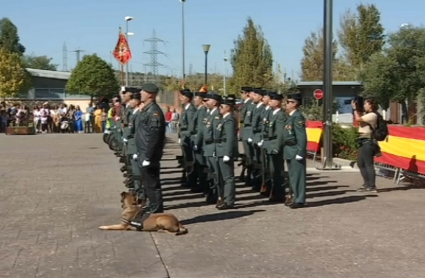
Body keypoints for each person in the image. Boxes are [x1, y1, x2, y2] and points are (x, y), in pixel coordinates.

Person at [134, 84, 166, 214]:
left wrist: (148, 157)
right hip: (143, 152)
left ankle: (156, 211)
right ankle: (152, 208)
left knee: (152, 185)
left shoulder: (154, 112)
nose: (141, 93)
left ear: (150, 95)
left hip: (149, 154)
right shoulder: (146, 109)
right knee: (147, 184)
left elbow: (154, 137)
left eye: (144, 91)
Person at [283, 93, 307, 209]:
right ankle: (294, 196)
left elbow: (301, 136)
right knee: (292, 176)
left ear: (295, 103)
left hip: (295, 149)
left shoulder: (297, 117)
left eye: (288, 102)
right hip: (289, 149)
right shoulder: (290, 117)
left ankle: (299, 199)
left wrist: (300, 152)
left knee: (298, 176)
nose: (286, 104)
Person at [352, 97, 379, 193]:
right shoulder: (367, 114)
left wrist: (355, 109)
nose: (364, 105)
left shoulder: (372, 115)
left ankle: (372, 186)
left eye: (365, 104)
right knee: (361, 163)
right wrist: (356, 108)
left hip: (368, 141)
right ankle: (367, 184)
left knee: (368, 164)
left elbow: (358, 119)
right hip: (362, 141)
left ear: (371, 105)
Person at [263, 93, 287, 202]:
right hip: (270, 145)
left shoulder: (280, 115)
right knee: (272, 171)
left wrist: (277, 147)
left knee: (278, 171)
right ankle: (275, 192)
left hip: (275, 147)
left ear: (278, 102)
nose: (270, 102)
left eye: (272, 100)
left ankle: (279, 194)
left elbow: (280, 134)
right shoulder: (273, 114)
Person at [215, 95, 237, 209]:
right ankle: (223, 198)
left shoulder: (230, 120)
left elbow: (230, 138)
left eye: (222, 106)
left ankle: (229, 200)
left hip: (224, 151)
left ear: (228, 107)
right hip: (220, 149)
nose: (220, 108)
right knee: (221, 176)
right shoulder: (224, 119)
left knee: (228, 177)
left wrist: (228, 153)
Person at [201, 93, 223, 204]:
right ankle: (213, 192)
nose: (206, 102)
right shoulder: (210, 114)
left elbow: (216, 134)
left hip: (214, 147)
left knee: (217, 173)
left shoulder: (217, 115)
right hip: (208, 147)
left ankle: (219, 195)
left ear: (215, 102)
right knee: (211, 173)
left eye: (208, 100)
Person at [127, 91, 146, 204]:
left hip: (136, 146)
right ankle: (138, 192)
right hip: (132, 145)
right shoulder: (135, 113)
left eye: (133, 100)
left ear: (137, 101)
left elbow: (138, 132)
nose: (131, 102)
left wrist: (138, 150)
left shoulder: (139, 114)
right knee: (135, 172)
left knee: (138, 173)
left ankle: (142, 195)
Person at [189, 91, 209, 193]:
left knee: (201, 164)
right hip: (195, 137)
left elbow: (200, 128)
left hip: (199, 140)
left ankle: (203, 185)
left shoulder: (202, 111)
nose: (194, 100)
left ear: (201, 100)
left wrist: (197, 142)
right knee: (198, 164)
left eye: (196, 99)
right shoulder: (199, 110)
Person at [178, 89, 197, 188]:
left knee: (190, 161)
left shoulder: (191, 110)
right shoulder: (186, 108)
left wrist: (185, 136)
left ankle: (192, 181)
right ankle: (189, 179)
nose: (180, 98)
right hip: (185, 137)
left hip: (188, 139)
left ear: (187, 98)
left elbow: (191, 127)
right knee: (187, 160)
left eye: (181, 96)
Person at [248, 88, 266, 192]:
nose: (253, 97)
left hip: (259, 136)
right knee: (256, 161)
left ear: (260, 97)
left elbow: (262, 124)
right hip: (254, 136)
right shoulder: (255, 107)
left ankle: (261, 183)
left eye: (255, 95)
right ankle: (256, 181)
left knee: (261, 162)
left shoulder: (262, 108)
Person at [240, 87, 254, 185]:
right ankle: (249, 176)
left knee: (251, 156)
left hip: (249, 131)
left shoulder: (250, 104)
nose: (241, 95)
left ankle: (251, 176)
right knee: (248, 156)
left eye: (242, 93)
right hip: (245, 131)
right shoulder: (246, 104)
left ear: (247, 93)